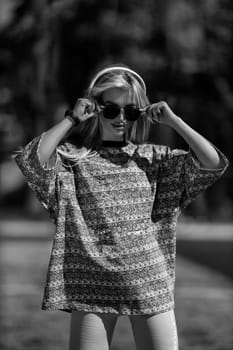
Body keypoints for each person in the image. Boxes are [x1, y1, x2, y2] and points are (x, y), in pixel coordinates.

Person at [14, 65, 229, 350]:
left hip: (150, 283)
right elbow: (32, 161)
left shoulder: (155, 159)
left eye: (130, 111)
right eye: (111, 109)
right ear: (95, 108)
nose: (120, 118)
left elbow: (212, 164)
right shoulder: (74, 161)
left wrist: (175, 121)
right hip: (91, 285)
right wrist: (71, 118)